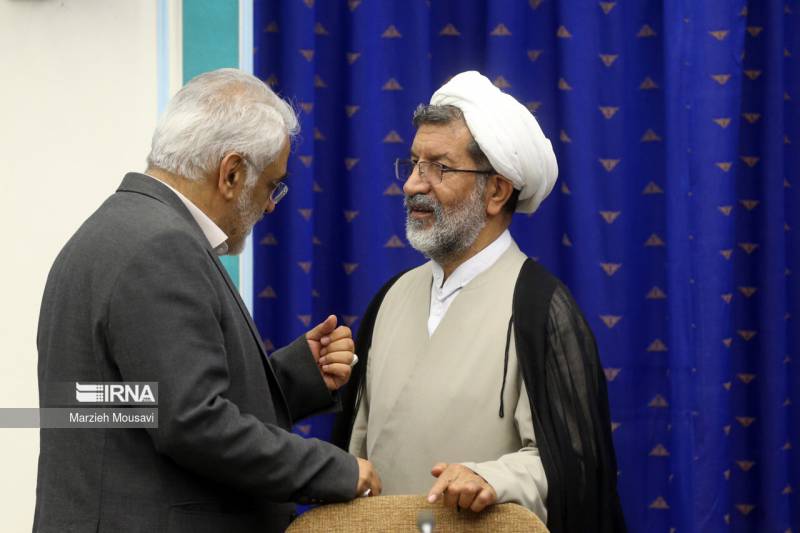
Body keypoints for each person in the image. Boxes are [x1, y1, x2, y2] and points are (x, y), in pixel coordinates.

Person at [34, 68, 381, 533]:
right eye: (271, 185)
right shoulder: (162, 247)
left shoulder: (118, 229)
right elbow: (193, 422)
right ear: (231, 173)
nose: (271, 204)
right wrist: (336, 470)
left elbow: (144, 402)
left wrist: (297, 375)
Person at [333, 71, 625, 533]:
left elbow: (574, 466)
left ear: (496, 191)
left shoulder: (540, 309)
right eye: (413, 164)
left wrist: (493, 478)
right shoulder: (390, 299)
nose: (413, 185)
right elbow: (358, 448)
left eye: (439, 168)